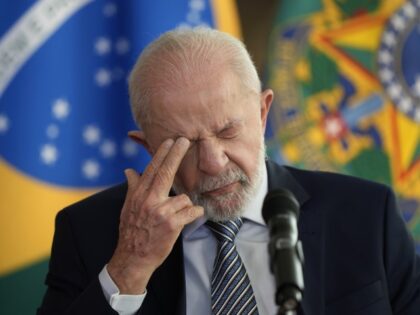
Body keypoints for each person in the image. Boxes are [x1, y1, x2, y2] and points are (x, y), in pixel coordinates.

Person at [38, 27, 420, 315]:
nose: (213, 162)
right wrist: (129, 268)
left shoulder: (367, 214)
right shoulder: (89, 233)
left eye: (227, 131)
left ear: (263, 111)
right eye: (183, 144)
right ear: (148, 147)